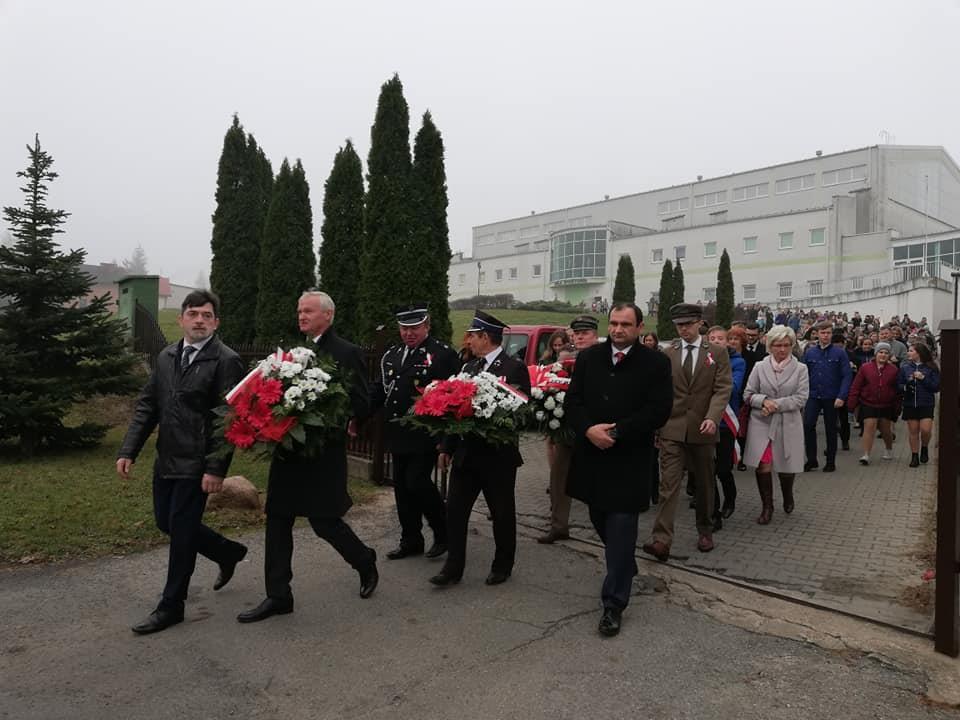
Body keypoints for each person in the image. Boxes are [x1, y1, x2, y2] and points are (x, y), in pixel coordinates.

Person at [237, 291, 378, 623]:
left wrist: (324, 409)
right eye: (299, 310)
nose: (301, 316)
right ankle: (278, 595)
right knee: (278, 518)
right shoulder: (289, 354)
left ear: (328, 315)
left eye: (308, 311)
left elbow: (360, 401)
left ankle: (364, 560)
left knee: (324, 521)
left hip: (322, 453)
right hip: (287, 450)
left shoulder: (346, 352)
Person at [117, 290, 247, 635]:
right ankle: (227, 551)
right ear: (182, 319)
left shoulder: (226, 360)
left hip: (197, 462)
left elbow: (227, 418)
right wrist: (128, 449)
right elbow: (148, 405)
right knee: (168, 523)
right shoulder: (166, 355)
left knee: (182, 533)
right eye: (193, 314)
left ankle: (171, 605)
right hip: (167, 458)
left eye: (206, 315)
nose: (199, 320)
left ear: (216, 322)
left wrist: (216, 467)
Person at [566, 303, 672, 636]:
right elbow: (573, 402)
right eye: (613, 323)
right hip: (592, 455)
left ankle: (613, 604)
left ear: (639, 327)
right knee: (599, 516)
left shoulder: (656, 363)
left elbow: (659, 410)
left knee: (622, 524)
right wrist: (588, 430)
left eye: (625, 324)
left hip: (629, 458)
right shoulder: (588, 358)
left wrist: (617, 432)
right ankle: (625, 563)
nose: (617, 330)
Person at [431, 310, 532, 587]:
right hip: (466, 455)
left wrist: (490, 419)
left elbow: (522, 412)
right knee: (455, 511)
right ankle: (453, 568)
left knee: (501, 512)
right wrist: (446, 447)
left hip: (497, 457)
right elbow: (455, 412)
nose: (469, 341)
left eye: (473, 336)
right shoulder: (468, 368)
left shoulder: (513, 368)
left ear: (485, 337)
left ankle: (502, 564)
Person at [643, 303, 732, 561]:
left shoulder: (716, 352)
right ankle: (661, 539)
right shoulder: (667, 353)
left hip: (703, 430)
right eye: (679, 325)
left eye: (688, 324)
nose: (684, 330)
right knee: (668, 485)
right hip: (672, 429)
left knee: (704, 485)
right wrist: (658, 424)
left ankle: (705, 529)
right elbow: (659, 391)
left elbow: (722, 388)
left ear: (699, 323)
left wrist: (713, 418)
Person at [371, 303, 460, 560]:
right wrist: (359, 414)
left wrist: (446, 439)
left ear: (427, 326)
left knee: (417, 482)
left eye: (415, 328)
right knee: (401, 487)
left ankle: (443, 532)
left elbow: (454, 396)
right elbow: (380, 389)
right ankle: (411, 538)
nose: (409, 333)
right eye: (404, 328)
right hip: (397, 431)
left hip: (426, 432)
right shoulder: (393, 354)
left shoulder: (442, 354)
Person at [538, 315, 599, 544]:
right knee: (558, 478)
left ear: (595, 334)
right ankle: (558, 525)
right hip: (568, 429)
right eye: (577, 333)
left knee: (596, 481)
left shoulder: (603, 357)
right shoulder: (566, 357)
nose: (580, 336)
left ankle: (603, 527)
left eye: (585, 333)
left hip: (594, 431)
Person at [743, 325, 809, 523]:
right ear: (770, 346)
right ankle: (767, 506)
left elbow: (801, 398)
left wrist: (774, 405)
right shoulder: (759, 367)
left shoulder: (800, 369)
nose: (782, 349)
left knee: (786, 465)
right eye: (778, 345)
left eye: (786, 345)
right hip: (761, 423)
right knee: (763, 465)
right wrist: (763, 401)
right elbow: (748, 394)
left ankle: (787, 494)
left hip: (788, 422)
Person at [801, 321, 852, 472]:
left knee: (831, 429)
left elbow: (847, 376)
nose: (825, 336)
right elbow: (803, 375)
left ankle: (830, 461)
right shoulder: (810, 352)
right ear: (817, 334)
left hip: (832, 396)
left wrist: (842, 396)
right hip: (813, 395)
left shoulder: (840, 353)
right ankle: (811, 459)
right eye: (822, 333)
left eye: (828, 333)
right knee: (808, 425)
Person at [711, 325, 746, 524]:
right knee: (707, 470)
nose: (716, 341)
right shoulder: (703, 359)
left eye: (720, 338)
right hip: (705, 421)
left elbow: (734, 388)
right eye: (712, 338)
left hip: (725, 421)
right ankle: (712, 509)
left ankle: (730, 499)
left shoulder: (738, 362)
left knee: (723, 468)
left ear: (727, 342)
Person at [847, 341, 900, 466]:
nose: (883, 355)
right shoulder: (865, 368)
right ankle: (866, 454)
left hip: (886, 404)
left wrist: (898, 406)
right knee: (869, 426)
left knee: (885, 429)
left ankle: (888, 449)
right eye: (881, 352)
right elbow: (856, 386)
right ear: (876, 354)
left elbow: (897, 390)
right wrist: (851, 403)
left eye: (886, 353)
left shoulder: (893, 370)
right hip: (868, 403)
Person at [898, 343, 941, 467]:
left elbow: (936, 387)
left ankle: (925, 447)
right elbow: (898, 384)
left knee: (926, 430)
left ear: (919, 353)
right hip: (910, 403)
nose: (908, 353)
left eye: (911, 351)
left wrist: (923, 378)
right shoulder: (905, 367)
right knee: (913, 431)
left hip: (926, 403)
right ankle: (915, 456)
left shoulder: (931, 367)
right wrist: (906, 386)